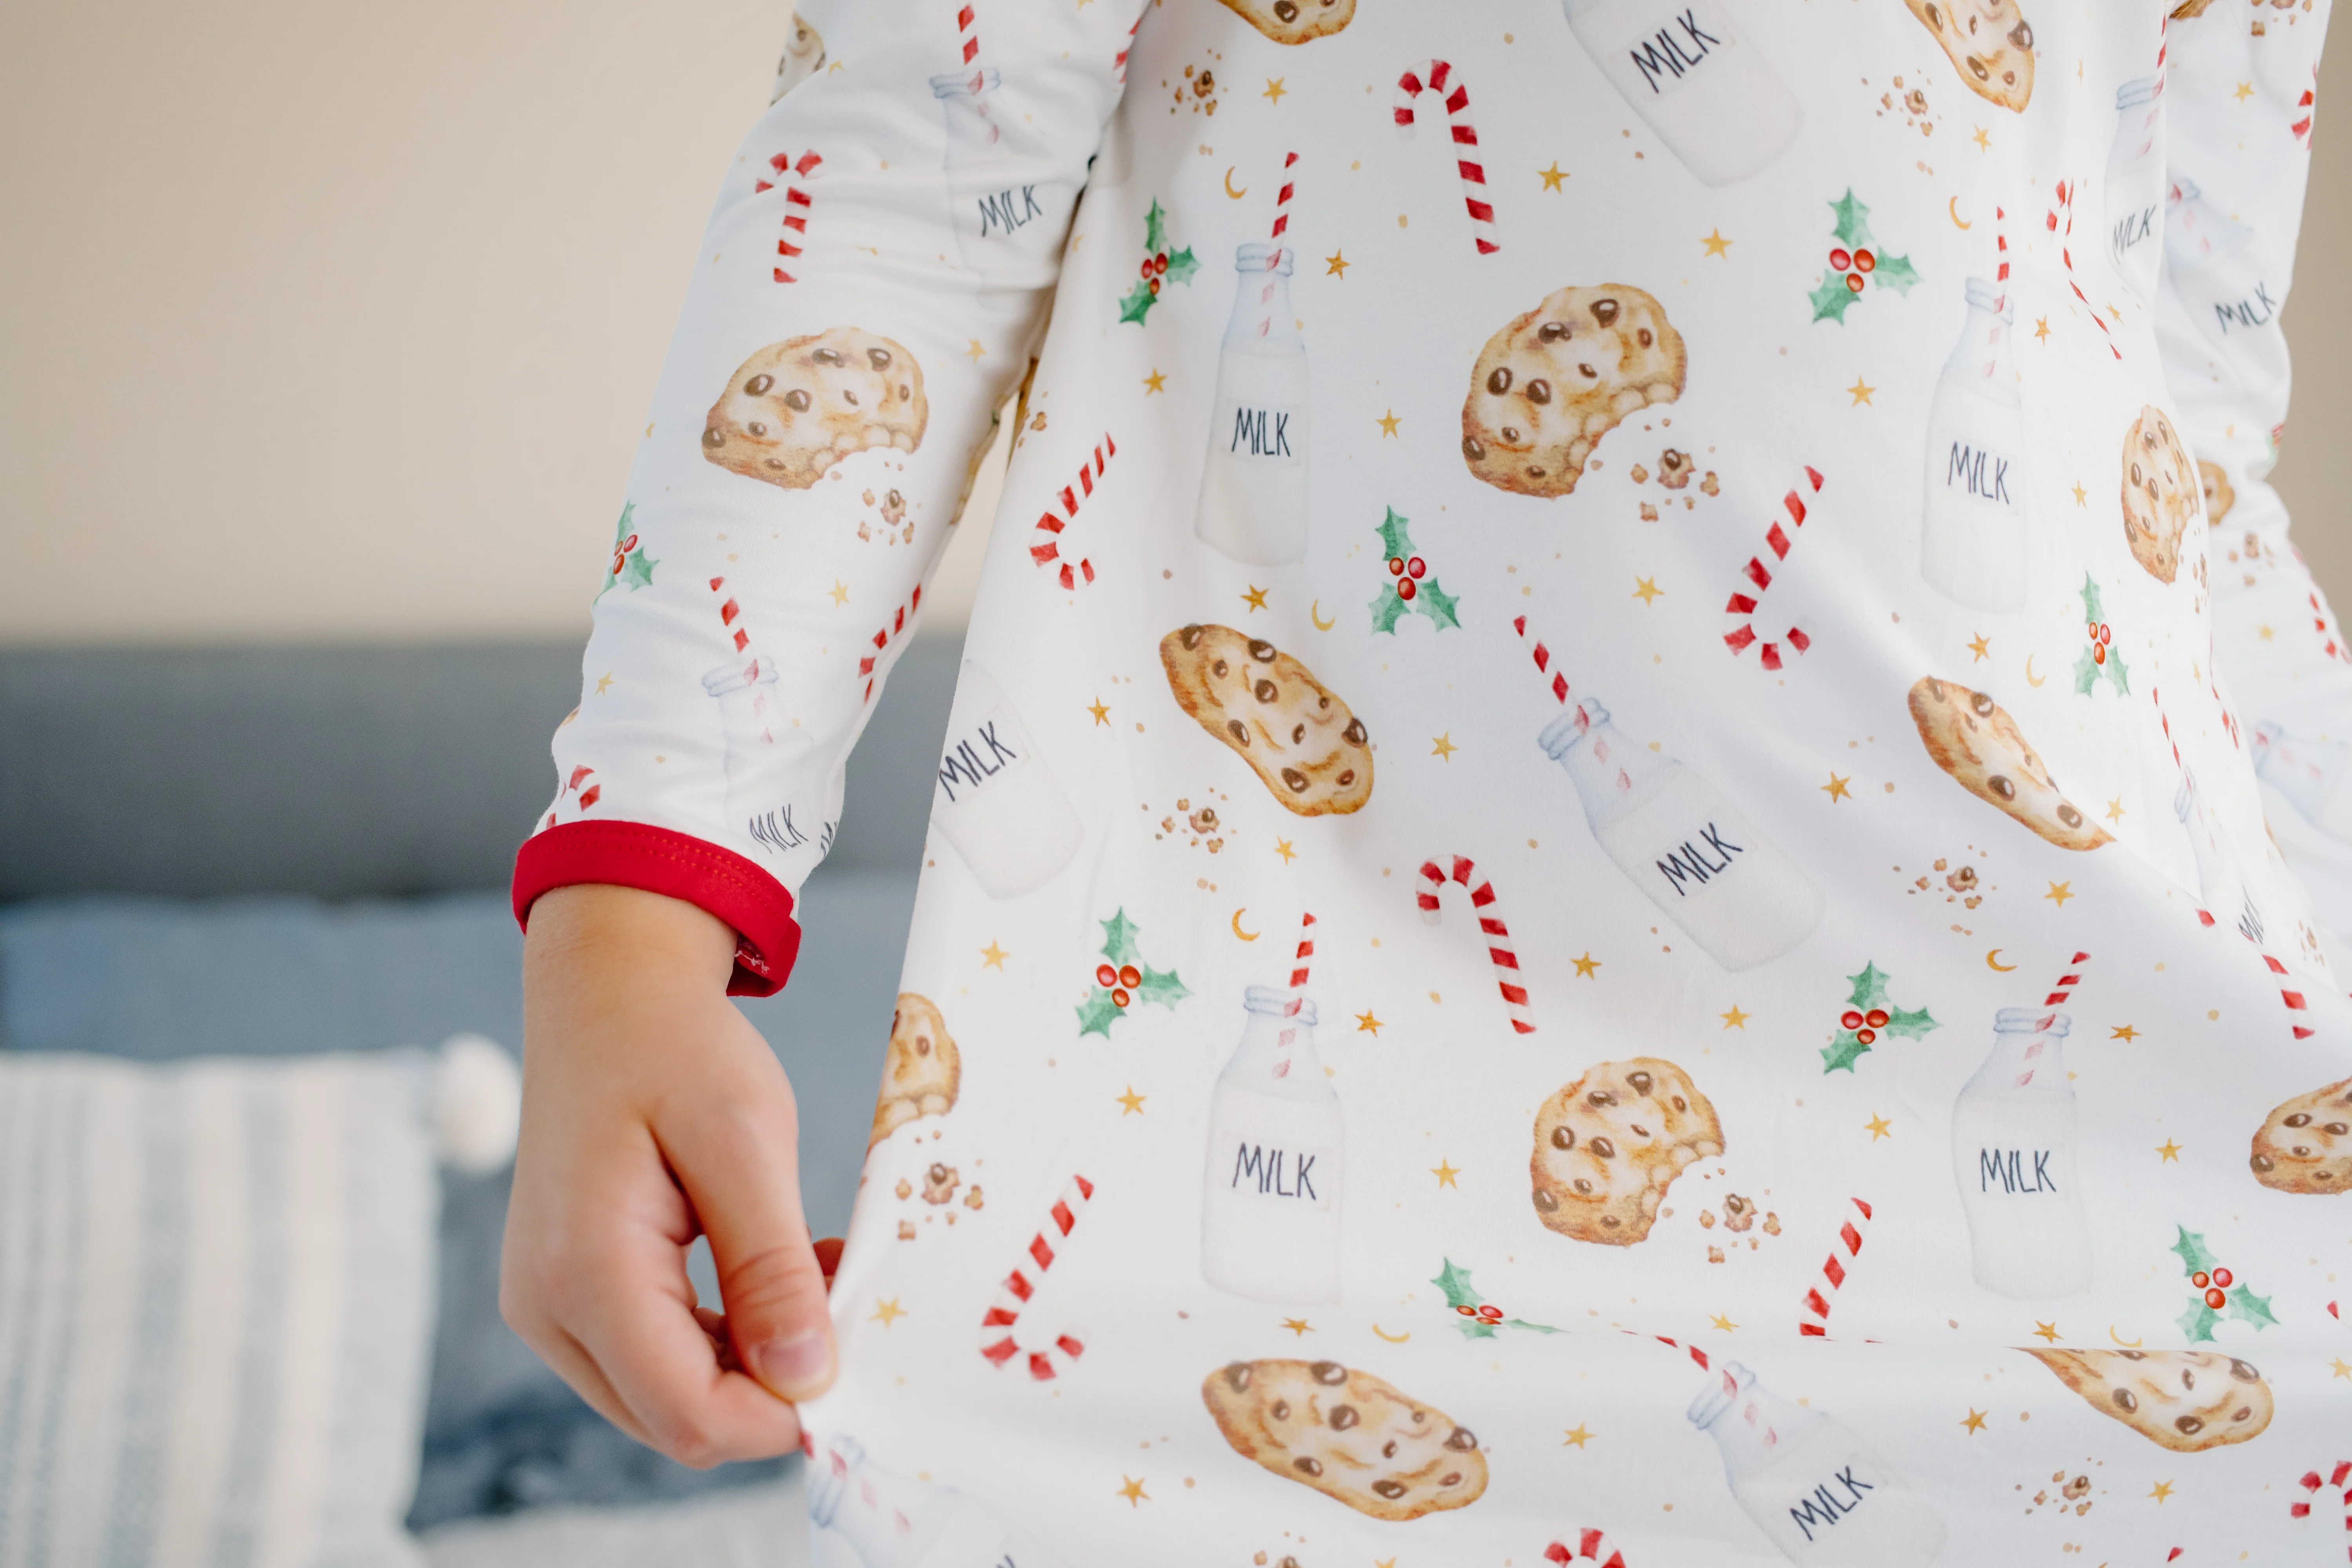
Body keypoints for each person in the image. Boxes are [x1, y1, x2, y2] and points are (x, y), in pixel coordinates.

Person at [501, 0, 2350, 1559]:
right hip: (1290, 1162)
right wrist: (629, 934)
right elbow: (917, 152)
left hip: (2124, 1108)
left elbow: (2177, 396)